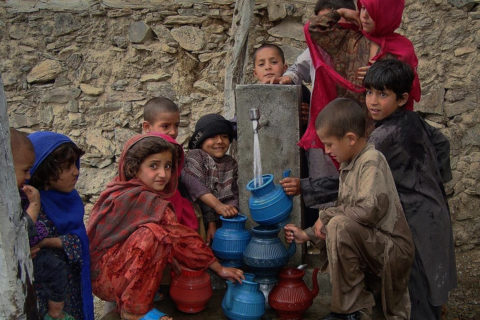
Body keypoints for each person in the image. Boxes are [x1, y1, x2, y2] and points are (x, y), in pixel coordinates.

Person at [87, 133, 244, 320]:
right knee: (154, 234)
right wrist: (219, 269)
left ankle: (137, 299)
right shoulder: (145, 200)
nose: (163, 174)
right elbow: (183, 239)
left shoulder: (117, 189)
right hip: (107, 279)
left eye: (168, 166)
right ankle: (134, 311)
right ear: (133, 168)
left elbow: (182, 238)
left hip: (105, 275)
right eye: (154, 166)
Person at [285, 97, 414, 320]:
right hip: (374, 242)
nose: (326, 151)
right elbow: (346, 210)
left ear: (350, 139)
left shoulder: (371, 160)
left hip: (392, 247)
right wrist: (306, 234)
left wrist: (326, 215)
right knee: (337, 223)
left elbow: (367, 210)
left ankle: (350, 310)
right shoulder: (350, 164)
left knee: (339, 224)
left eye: (329, 144)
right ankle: (350, 309)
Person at [364, 59, 457, 320]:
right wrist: (435, 180)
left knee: (417, 283)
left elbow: (358, 178)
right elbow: (442, 143)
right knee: (430, 279)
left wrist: (305, 186)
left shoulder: (381, 138)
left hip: (416, 220)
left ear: (403, 98)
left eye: (383, 94)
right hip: (434, 209)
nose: (373, 101)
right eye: (369, 92)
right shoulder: (412, 119)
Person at [27, 131, 94, 320]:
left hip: (71, 288)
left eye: (75, 164)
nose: (76, 171)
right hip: (42, 293)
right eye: (67, 167)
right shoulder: (29, 205)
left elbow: (79, 243)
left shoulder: (70, 201)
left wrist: (46, 242)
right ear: (43, 170)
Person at [142, 96, 198, 230]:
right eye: (165, 126)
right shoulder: (139, 152)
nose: (173, 132)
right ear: (147, 127)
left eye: (176, 126)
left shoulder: (175, 151)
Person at [182, 114, 239, 245]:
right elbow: (196, 186)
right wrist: (212, 220)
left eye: (224, 136)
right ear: (201, 140)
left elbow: (233, 191)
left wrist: (232, 211)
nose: (219, 141)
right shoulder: (196, 156)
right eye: (213, 136)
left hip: (223, 219)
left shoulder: (230, 163)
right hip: (198, 216)